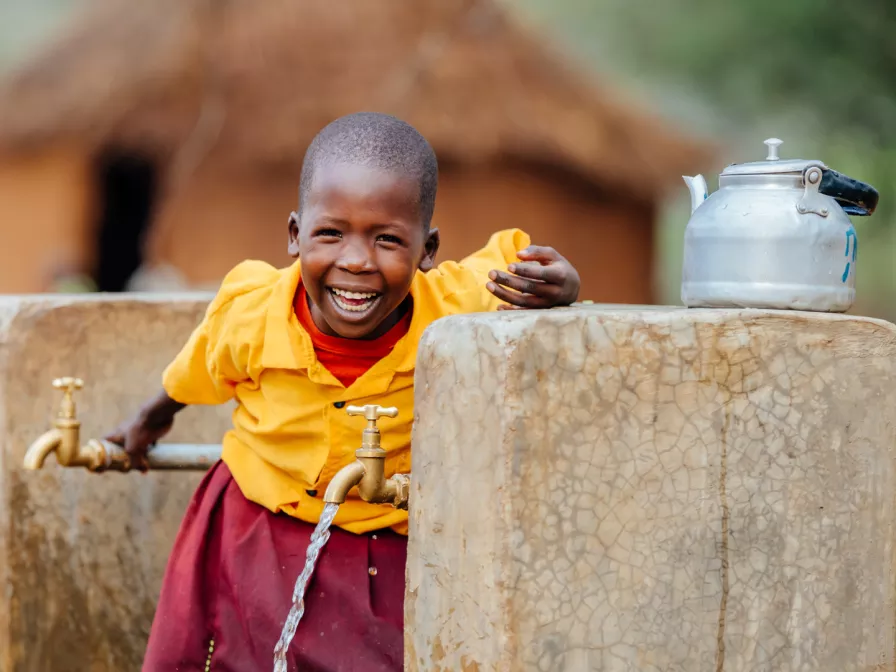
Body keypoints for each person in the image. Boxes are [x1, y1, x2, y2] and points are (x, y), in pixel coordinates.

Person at [108, 112, 581, 671]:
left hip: (384, 541)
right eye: (330, 233)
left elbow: (523, 261)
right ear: (294, 236)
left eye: (386, 240)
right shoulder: (254, 315)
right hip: (254, 524)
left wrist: (563, 287)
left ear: (427, 250)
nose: (355, 261)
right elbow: (193, 368)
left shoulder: (458, 310)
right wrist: (148, 421)